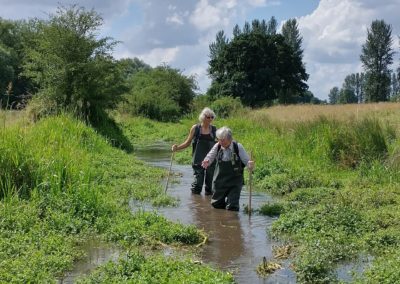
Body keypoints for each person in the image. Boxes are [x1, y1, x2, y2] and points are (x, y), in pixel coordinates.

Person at [201, 126, 254, 211]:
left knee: (232, 206)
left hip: (235, 181)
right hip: (220, 180)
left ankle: (232, 222)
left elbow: (246, 161)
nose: (221, 142)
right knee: (216, 204)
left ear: (230, 139)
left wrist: (250, 165)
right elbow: (210, 156)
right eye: (219, 139)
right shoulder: (218, 146)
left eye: (223, 140)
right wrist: (206, 161)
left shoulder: (238, 147)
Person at [171, 107, 217, 195]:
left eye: (212, 117)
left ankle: (208, 205)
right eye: (208, 117)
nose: (210, 119)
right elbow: (187, 143)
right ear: (203, 117)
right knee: (197, 184)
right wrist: (177, 148)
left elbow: (219, 144)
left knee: (210, 186)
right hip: (198, 160)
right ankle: (195, 203)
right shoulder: (196, 128)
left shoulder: (214, 129)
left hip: (211, 161)